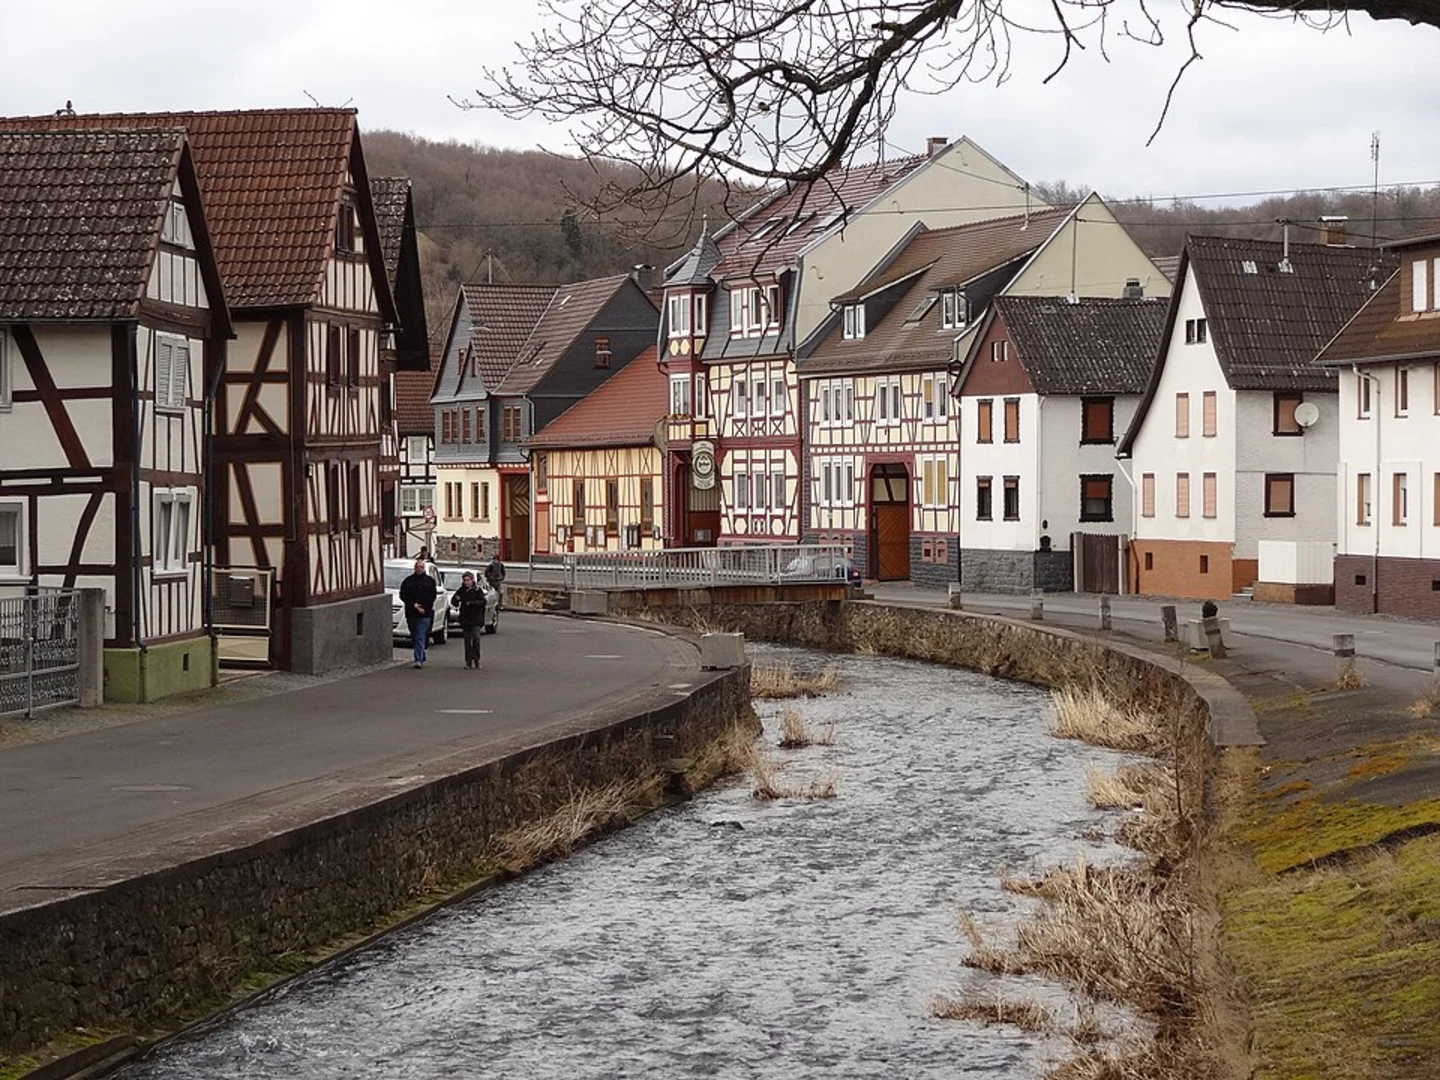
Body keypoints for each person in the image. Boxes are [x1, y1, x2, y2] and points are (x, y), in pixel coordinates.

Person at [398, 560, 438, 668]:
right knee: (414, 636)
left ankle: (418, 660)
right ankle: (421, 654)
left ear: (424, 568)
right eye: (417, 567)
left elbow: (432, 596)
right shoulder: (408, 581)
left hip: (425, 614)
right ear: (414, 568)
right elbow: (403, 595)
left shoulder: (430, 581)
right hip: (411, 613)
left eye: (421, 567)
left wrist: (424, 608)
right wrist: (413, 605)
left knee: (420, 635)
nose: (419, 569)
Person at [449, 570, 488, 669]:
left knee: (476, 639)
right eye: (465, 580)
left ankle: (477, 659)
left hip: (476, 619)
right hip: (465, 619)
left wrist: (471, 603)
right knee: (467, 641)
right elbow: (454, 602)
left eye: (468, 580)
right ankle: (468, 661)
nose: (466, 582)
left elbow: (483, 602)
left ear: (472, 580)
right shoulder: (461, 590)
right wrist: (456, 600)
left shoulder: (477, 590)